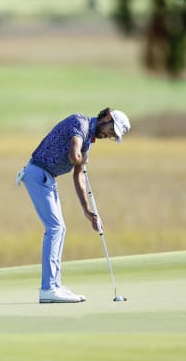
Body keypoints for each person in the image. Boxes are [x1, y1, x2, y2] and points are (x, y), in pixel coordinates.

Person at [16, 108, 131, 303]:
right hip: (37, 174)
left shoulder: (89, 139)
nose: (108, 136)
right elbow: (73, 155)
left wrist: (87, 211)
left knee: (60, 228)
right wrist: (81, 158)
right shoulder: (81, 124)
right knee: (55, 228)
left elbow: (78, 175)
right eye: (111, 131)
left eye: (112, 136)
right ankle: (48, 289)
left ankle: (55, 285)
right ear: (106, 117)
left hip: (47, 178)